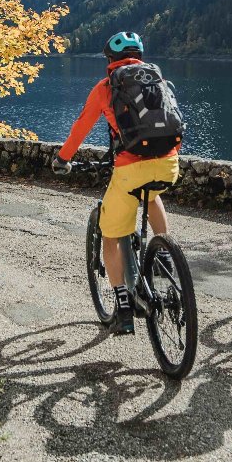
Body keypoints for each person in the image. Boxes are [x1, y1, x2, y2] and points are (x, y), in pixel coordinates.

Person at [53, 32, 180, 334]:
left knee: (110, 235)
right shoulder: (158, 82)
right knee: (151, 195)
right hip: (168, 165)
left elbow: (81, 126)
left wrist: (62, 159)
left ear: (110, 60)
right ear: (141, 55)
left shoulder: (106, 87)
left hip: (129, 170)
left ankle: (123, 304)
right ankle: (163, 252)